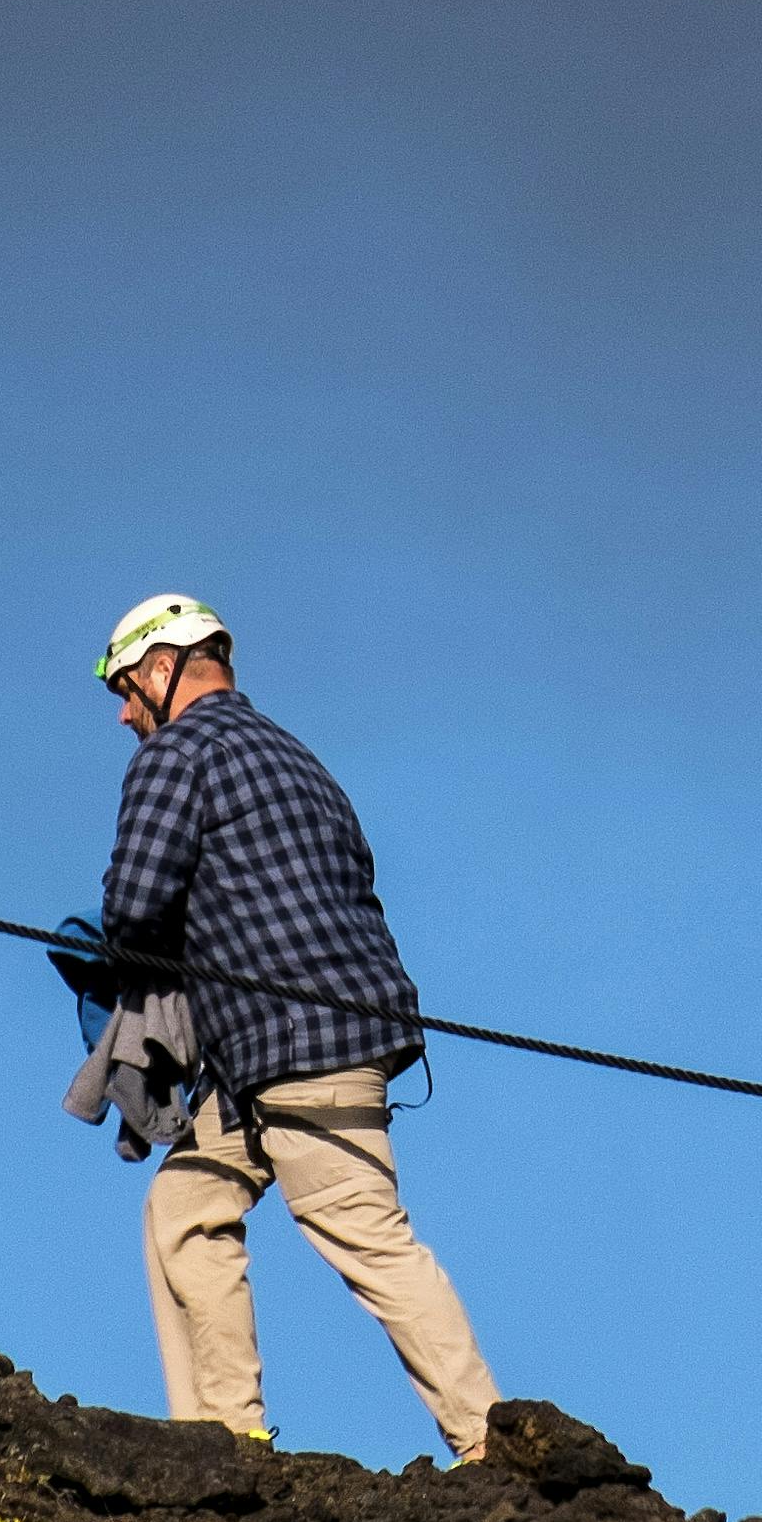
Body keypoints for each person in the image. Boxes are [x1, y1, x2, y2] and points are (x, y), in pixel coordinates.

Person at [90, 593, 499, 1462]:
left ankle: (491, 1442)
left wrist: (118, 972)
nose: (125, 712)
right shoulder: (300, 759)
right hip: (310, 1046)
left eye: (126, 687)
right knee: (185, 1204)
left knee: (366, 1235)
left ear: (163, 670)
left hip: (292, 1049)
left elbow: (132, 906)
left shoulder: (176, 754)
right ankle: (221, 1440)